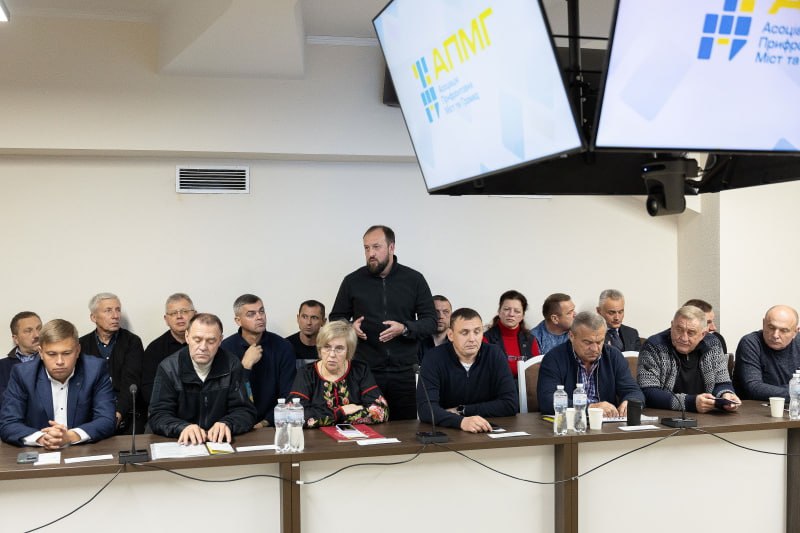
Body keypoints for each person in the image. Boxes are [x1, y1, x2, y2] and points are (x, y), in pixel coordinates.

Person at [330, 225, 436, 420]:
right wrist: (350, 328)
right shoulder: (352, 281)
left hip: (405, 373)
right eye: (366, 248)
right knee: (366, 426)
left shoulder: (414, 279)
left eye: (376, 247)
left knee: (407, 428)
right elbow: (335, 318)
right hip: (365, 372)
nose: (370, 253)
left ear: (391, 247)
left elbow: (430, 322)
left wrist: (405, 328)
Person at [0, 319, 115, 448]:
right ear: (41, 353)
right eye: (51, 354)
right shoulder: (23, 374)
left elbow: (107, 419)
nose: (60, 361)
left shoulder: (95, 369)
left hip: (83, 450)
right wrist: (42, 438)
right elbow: (8, 423)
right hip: (40, 452)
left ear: (77, 350)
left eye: (66, 353)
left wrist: (70, 437)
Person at [149, 313, 257, 444]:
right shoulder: (169, 368)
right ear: (187, 337)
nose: (203, 347)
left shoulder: (232, 365)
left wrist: (227, 424)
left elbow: (246, 411)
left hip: (219, 442)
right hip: (182, 442)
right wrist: (182, 427)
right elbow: (158, 415)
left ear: (220, 340)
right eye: (197, 340)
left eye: (211, 341)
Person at [417, 308, 518, 433]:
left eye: (477, 332)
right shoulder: (433, 358)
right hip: (446, 429)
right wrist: (461, 422)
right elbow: (426, 410)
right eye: (464, 333)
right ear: (451, 335)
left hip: (487, 427)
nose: (472, 339)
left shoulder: (494, 354)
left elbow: (510, 404)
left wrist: (462, 410)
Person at [537, 312, 644, 416]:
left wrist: (630, 402)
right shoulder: (554, 358)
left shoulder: (613, 356)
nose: (595, 349)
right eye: (587, 342)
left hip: (607, 423)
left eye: (599, 342)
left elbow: (634, 391)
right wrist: (590, 408)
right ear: (571, 336)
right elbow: (547, 400)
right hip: (570, 423)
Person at [637, 305, 740, 413]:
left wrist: (726, 395)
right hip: (666, 415)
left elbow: (722, 382)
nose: (683, 338)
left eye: (691, 333)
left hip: (707, 416)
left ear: (703, 334)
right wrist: (690, 403)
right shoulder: (654, 346)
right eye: (679, 330)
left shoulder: (713, 344)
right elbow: (647, 391)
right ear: (672, 325)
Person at [288, 320, 388, 427]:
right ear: (320, 349)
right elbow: (293, 416)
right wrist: (341, 412)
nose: (332, 354)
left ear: (348, 351)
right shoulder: (307, 373)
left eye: (339, 349)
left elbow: (381, 411)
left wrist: (322, 417)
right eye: (327, 347)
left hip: (356, 436)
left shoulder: (360, 370)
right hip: (317, 437)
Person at [220, 294, 296, 428]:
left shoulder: (283, 346)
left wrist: (266, 422)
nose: (259, 317)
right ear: (238, 321)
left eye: (261, 311)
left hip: (274, 423)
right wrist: (245, 367)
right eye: (251, 314)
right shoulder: (225, 349)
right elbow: (225, 396)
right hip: (235, 424)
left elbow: (288, 394)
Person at [79, 293, 145, 434]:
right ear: (93, 317)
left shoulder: (132, 342)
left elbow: (131, 382)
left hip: (127, 412)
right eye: (108, 311)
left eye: (118, 310)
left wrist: (118, 413)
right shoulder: (81, 345)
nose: (115, 316)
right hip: (93, 414)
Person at [734, 305, 800, 401]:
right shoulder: (751, 342)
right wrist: (795, 392)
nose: (775, 335)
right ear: (763, 323)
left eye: (784, 330)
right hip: (754, 407)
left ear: (795, 332)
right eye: (771, 327)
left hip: (792, 406)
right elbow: (754, 388)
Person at [141, 293, 196, 406]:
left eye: (184, 311)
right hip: (168, 409)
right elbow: (148, 388)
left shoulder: (205, 344)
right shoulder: (154, 349)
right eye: (173, 313)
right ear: (166, 319)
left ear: (195, 315)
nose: (179, 316)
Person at [483, 290, 540, 379]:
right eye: (506, 309)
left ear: (522, 316)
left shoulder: (530, 340)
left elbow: (536, 371)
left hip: (525, 386)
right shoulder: (486, 339)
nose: (511, 314)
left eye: (517, 311)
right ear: (499, 311)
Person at [0, 312, 42, 406]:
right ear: (16, 339)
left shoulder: (55, 361)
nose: (37, 335)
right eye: (28, 331)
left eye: (39, 328)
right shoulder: (2, 367)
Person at [285, 300, 327, 369]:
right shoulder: (285, 346)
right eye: (304, 317)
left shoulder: (330, 347)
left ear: (323, 321)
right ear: (298, 318)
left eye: (314, 318)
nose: (308, 322)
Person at [419, 295, 452, 362]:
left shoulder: (458, 343)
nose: (440, 316)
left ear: (452, 315)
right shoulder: (416, 342)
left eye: (445, 312)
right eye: (436, 312)